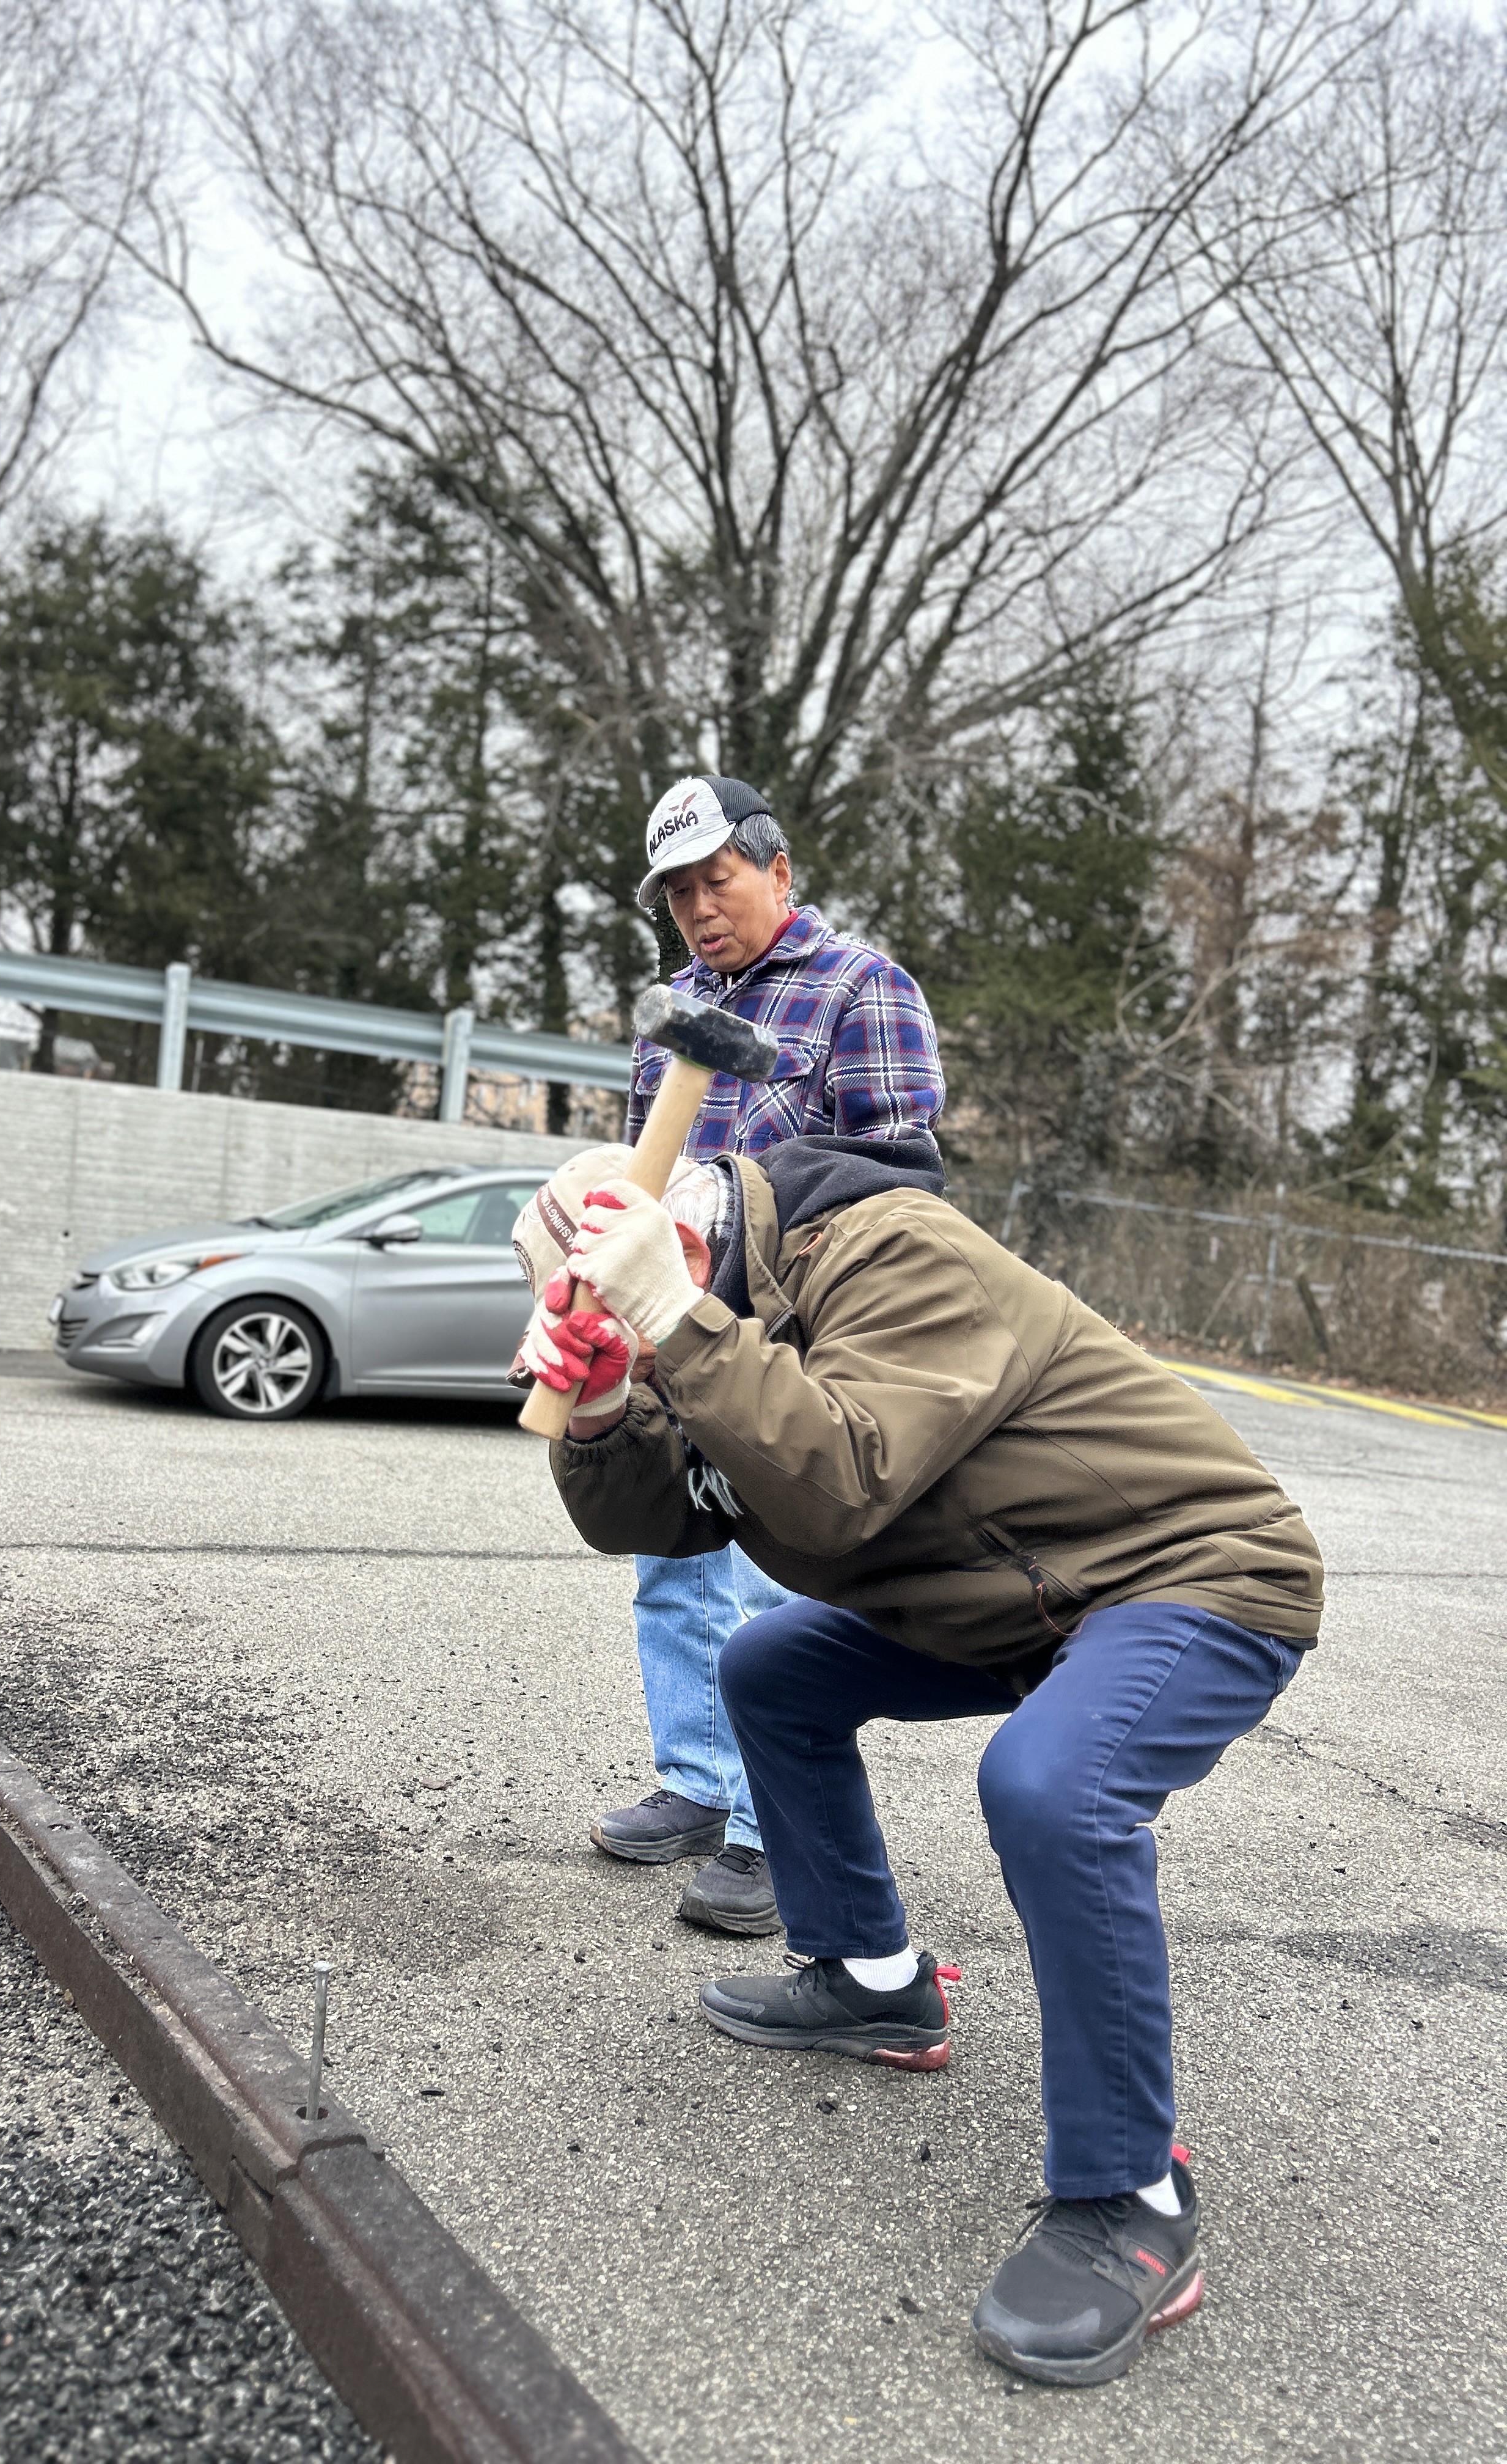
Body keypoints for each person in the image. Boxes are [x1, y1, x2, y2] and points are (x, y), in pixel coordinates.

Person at [513, 1137, 1322, 2388]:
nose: (615, 1309)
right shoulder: (690, 1323)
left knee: (1052, 1786)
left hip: (1192, 1572)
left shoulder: (893, 1249)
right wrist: (608, 1403)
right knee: (769, 1668)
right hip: (1013, 1601)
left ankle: (1133, 2197)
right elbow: (656, 1521)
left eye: (610, 1289)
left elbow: (842, 1479)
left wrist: (670, 1318)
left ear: (682, 1237)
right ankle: (873, 1978)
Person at [592, 772, 945, 1938]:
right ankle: (696, 1781)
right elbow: (644, 1166)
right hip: (674, 1313)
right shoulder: (674, 1009)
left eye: (719, 879)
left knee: (765, 1578)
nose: (700, 908)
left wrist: (760, 1229)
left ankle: (763, 1825)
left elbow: (898, 1175)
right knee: (670, 1554)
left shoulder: (863, 987)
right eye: (678, 893)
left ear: (779, 870)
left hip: (789, 1324)